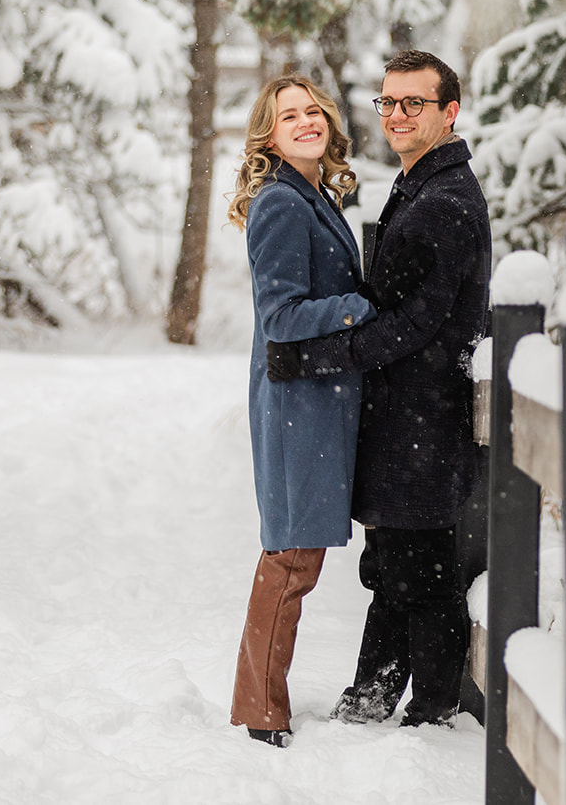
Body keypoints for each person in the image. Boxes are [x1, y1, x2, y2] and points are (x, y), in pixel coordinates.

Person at [267, 49, 492, 729]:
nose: (397, 114)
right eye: (388, 102)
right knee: (394, 565)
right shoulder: (418, 184)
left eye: (413, 103)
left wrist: (317, 355)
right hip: (402, 415)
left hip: (423, 414)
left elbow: (414, 324)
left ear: (448, 112)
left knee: (421, 570)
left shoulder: (445, 201)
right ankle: (372, 699)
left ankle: (431, 712)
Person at [227, 74, 375, 749]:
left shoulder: (315, 194)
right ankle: (260, 708)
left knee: (296, 553)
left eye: (312, 110)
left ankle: (260, 698)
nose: (305, 120)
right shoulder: (282, 203)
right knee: (289, 555)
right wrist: (361, 307)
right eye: (289, 115)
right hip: (294, 401)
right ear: (270, 134)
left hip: (315, 400)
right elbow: (281, 315)